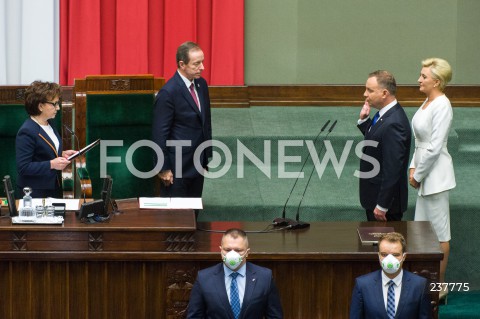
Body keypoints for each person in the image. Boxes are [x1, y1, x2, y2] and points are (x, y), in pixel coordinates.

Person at [409, 57, 455, 302]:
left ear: (436, 81)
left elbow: (435, 147)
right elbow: (420, 143)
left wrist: (418, 173)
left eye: (424, 76)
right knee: (421, 232)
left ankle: (439, 286)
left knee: (439, 235)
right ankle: (423, 283)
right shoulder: (428, 101)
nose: (419, 79)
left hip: (435, 178)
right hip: (424, 174)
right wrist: (413, 166)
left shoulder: (443, 105)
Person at [152, 41, 212, 200]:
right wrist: (163, 168)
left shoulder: (201, 84)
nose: (202, 67)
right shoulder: (168, 92)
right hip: (176, 169)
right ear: (182, 64)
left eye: (202, 62)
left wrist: (206, 156)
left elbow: (206, 122)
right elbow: (159, 134)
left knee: (194, 214)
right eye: (197, 63)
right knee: (176, 220)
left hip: (197, 163)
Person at [186, 228, 283, 319]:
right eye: (227, 250)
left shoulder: (264, 277)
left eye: (238, 250)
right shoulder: (204, 278)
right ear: (221, 250)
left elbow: (275, 316)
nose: (232, 254)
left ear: (247, 252)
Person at [357, 70, 411, 221]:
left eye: (370, 90)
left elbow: (393, 168)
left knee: (383, 244)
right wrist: (365, 122)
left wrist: (382, 205)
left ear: (384, 93)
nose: (364, 94)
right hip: (375, 199)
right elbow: (378, 141)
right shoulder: (385, 114)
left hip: (385, 207)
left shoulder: (395, 123)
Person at [16, 81, 76, 198]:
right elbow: (23, 167)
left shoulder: (49, 123)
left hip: (53, 187)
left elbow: (44, 152)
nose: (58, 108)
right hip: (34, 192)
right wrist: (52, 164)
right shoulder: (27, 131)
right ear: (40, 106)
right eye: (54, 104)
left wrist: (62, 154)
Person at [350, 232, 431, 319]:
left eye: (395, 255)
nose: (389, 260)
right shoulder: (363, 284)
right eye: (384, 254)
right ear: (378, 256)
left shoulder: (419, 285)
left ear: (404, 257)